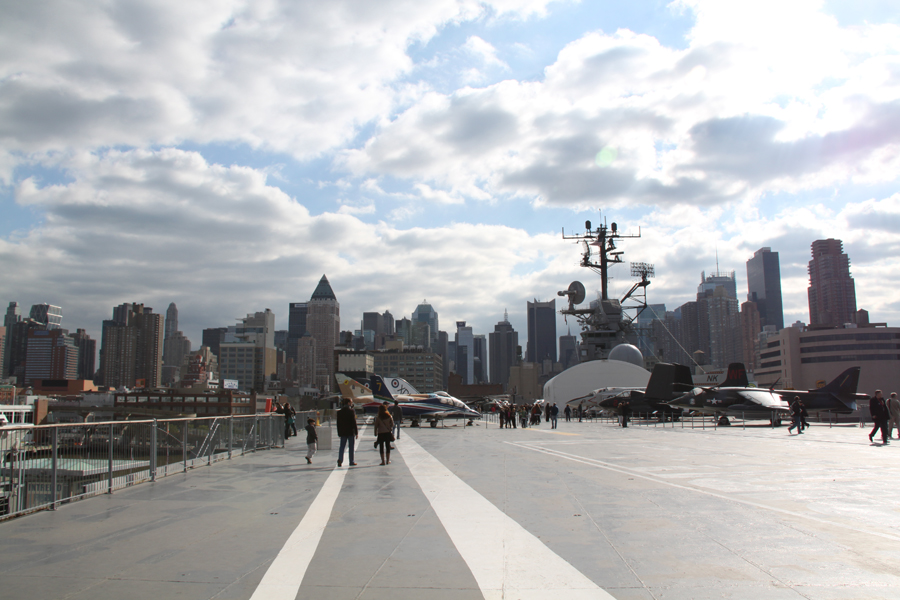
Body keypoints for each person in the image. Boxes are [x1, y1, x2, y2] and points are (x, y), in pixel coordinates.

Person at [336, 399, 358, 467]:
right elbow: (354, 422)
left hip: (342, 432)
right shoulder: (351, 411)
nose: (351, 403)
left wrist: (339, 432)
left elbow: (338, 423)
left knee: (342, 446)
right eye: (351, 402)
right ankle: (351, 461)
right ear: (348, 403)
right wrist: (356, 432)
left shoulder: (339, 412)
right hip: (350, 431)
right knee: (351, 447)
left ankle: (340, 459)